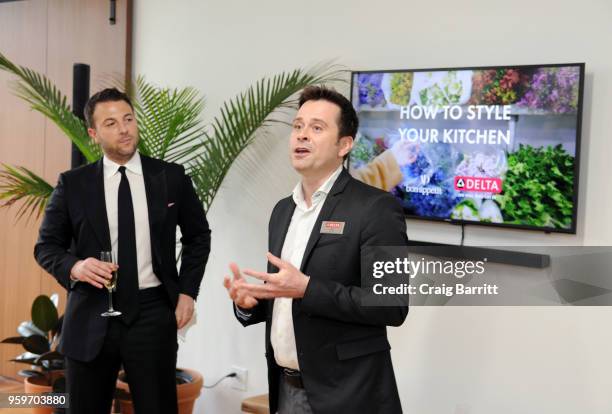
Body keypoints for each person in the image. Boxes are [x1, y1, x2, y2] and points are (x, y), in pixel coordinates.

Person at [224, 86, 408, 413]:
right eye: (298, 126)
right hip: (284, 387)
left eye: (317, 128)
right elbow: (285, 296)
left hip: (348, 394)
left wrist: (308, 288)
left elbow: (391, 305)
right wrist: (251, 304)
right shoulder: (283, 211)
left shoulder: (376, 208)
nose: (302, 136)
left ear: (345, 145)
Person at [34, 88, 211, 414]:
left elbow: (198, 236)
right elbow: (46, 247)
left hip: (152, 313)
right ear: (93, 133)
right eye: (112, 123)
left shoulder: (169, 177)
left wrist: (188, 292)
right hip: (90, 311)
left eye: (128, 119)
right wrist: (76, 267)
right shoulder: (73, 185)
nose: (124, 129)